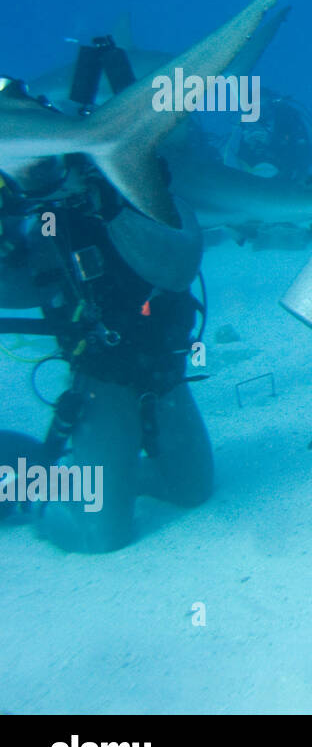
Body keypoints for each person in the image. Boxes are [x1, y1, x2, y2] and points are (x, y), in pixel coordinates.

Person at [0, 76, 212, 552]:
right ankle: (37, 494)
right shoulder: (36, 219)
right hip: (101, 379)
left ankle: (106, 476)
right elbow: (14, 292)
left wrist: (107, 204)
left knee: (192, 490)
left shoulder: (134, 179)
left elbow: (177, 267)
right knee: (102, 536)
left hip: (163, 369)